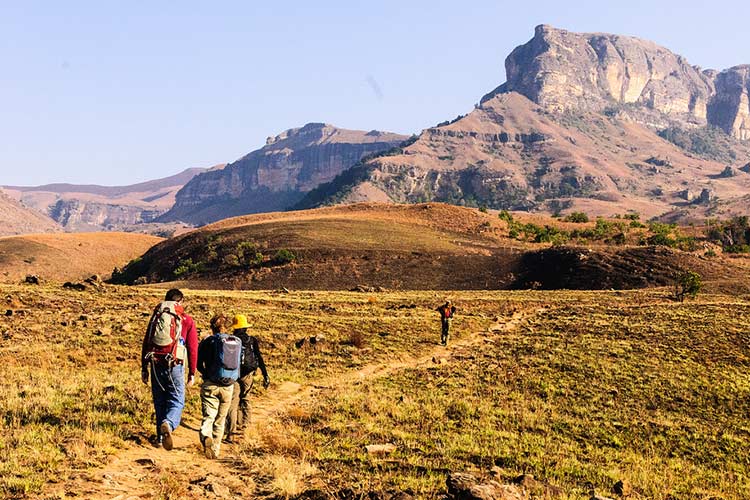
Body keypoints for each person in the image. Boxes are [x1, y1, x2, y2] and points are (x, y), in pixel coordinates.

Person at [141, 288, 198, 451]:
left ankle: (159, 438)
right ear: (180, 302)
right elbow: (193, 348)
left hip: (155, 361)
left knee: (160, 401)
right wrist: (192, 372)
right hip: (174, 364)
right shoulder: (186, 319)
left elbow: (146, 342)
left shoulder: (157, 317)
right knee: (177, 398)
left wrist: (144, 368)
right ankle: (169, 423)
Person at [197, 314, 240, 459]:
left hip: (211, 384)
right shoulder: (235, 342)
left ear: (212, 327)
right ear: (227, 327)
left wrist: (206, 374)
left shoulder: (207, 341)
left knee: (209, 416)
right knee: (220, 420)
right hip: (229, 385)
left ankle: (205, 436)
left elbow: (198, 363)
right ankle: (215, 450)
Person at [224, 314, 270, 443]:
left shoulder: (230, 340)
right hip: (247, 374)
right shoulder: (251, 340)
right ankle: (245, 428)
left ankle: (231, 431)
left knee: (233, 401)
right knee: (246, 398)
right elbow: (258, 357)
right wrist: (265, 374)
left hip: (233, 373)